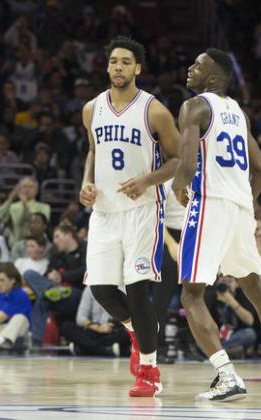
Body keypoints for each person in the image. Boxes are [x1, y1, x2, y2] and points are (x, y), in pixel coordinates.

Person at [171, 48, 261, 401]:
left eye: (197, 65)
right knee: (254, 288)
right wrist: (245, 200)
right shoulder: (237, 114)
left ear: (213, 78)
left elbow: (184, 166)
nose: (190, 68)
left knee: (191, 293)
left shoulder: (193, 107)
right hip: (240, 208)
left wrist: (177, 187)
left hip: (210, 205)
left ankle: (226, 375)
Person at [78, 36, 180, 397]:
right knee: (102, 288)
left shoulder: (154, 110)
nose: (118, 67)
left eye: (126, 62)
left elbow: (179, 159)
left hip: (142, 210)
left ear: (138, 68)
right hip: (105, 212)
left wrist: (149, 180)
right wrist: (86, 182)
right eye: (113, 61)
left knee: (138, 290)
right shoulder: (92, 109)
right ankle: (139, 332)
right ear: (107, 67)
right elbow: (92, 151)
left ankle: (149, 372)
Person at [61, 286, 129, 357]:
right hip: (93, 329)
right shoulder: (89, 288)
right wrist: (98, 328)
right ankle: (105, 350)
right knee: (66, 327)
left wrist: (113, 324)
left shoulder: (123, 288)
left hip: (114, 329)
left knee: (129, 332)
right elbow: (80, 318)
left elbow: (128, 314)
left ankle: (84, 348)